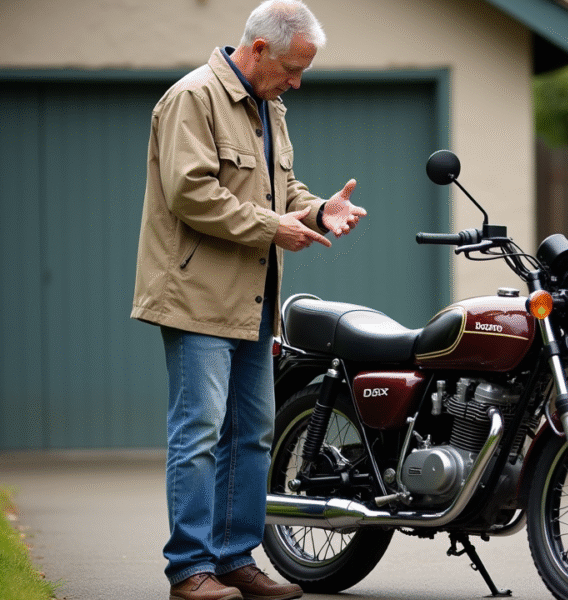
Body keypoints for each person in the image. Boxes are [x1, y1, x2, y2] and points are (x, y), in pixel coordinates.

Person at [131, 2, 366, 599]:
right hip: (195, 298)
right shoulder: (193, 98)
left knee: (253, 434)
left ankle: (235, 559)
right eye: (291, 67)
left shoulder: (268, 106)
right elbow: (191, 194)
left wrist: (315, 209)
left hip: (254, 301)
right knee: (201, 434)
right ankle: (189, 570)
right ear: (258, 48)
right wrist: (273, 227)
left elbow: (280, 187)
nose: (297, 81)